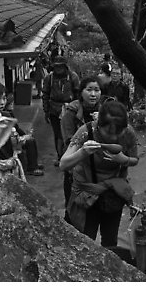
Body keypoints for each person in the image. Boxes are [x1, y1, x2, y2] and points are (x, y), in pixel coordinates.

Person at [60, 100, 139, 248]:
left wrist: (124, 159)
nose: (114, 137)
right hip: (86, 195)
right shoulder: (86, 132)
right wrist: (82, 152)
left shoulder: (128, 133)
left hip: (113, 195)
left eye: (118, 132)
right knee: (84, 241)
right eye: (109, 132)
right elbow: (64, 164)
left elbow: (135, 160)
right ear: (99, 125)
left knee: (110, 241)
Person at [60, 76, 107, 216]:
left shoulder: (105, 112)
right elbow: (69, 142)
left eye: (97, 90)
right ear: (81, 92)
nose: (93, 94)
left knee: (94, 212)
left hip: (98, 170)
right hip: (76, 169)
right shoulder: (70, 113)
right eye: (89, 90)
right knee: (74, 209)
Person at [42, 56, 80, 165]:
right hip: (54, 109)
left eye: (60, 66)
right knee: (58, 134)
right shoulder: (49, 78)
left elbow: (78, 94)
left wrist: (78, 110)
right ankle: (60, 157)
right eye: (56, 66)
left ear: (65, 66)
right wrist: (46, 111)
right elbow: (45, 95)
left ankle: (71, 156)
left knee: (71, 133)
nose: (58, 69)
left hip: (70, 109)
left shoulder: (73, 77)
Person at [5, 93, 44, 176]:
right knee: (30, 142)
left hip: (14, 136)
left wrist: (25, 134)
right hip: (10, 139)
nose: (12, 106)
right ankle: (31, 168)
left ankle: (34, 164)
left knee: (31, 139)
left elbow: (17, 128)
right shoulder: (6, 115)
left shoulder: (10, 113)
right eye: (11, 104)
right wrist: (23, 137)